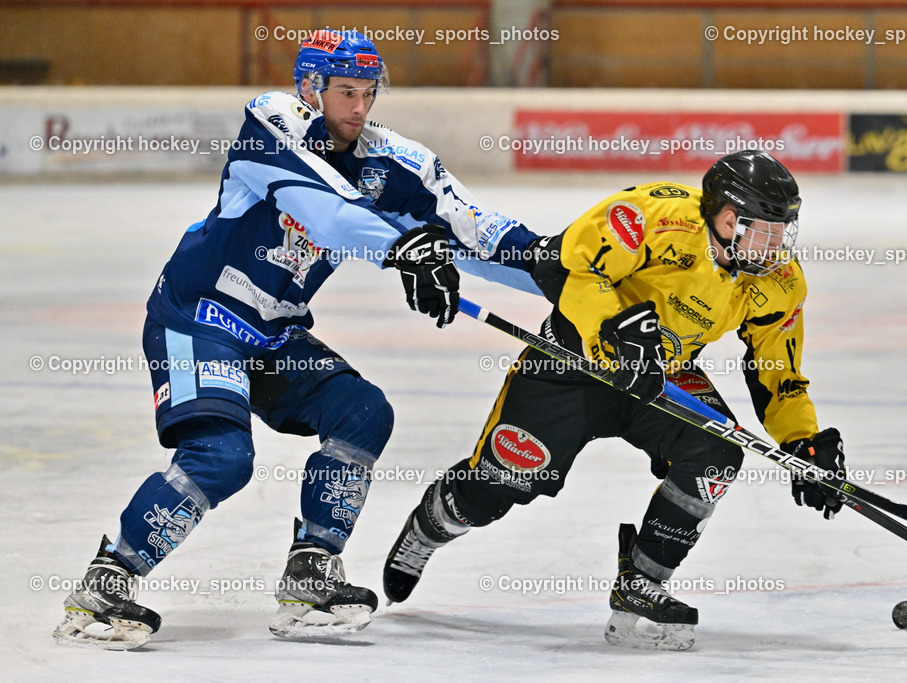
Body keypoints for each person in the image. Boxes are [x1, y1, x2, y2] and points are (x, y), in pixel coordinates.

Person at [53, 29, 542, 650]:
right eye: (345, 93)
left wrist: (563, 272)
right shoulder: (271, 119)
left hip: (274, 333)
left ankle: (312, 572)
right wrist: (403, 249)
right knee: (222, 458)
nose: (359, 108)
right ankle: (108, 581)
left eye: (368, 94)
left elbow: (477, 230)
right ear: (311, 87)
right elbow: (325, 211)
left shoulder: (389, 161)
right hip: (198, 317)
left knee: (364, 412)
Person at [382, 150, 847, 651]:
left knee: (715, 453)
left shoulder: (779, 283)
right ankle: (430, 526)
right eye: (769, 231)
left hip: (659, 380)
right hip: (570, 364)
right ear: (729, 218)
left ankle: (642, 582)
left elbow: (776, 372)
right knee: (495, 489)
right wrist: (615, 329)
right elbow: (565, 263)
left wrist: (802, 442)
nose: (779, 247)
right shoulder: (655, 217)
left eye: (784, 233)